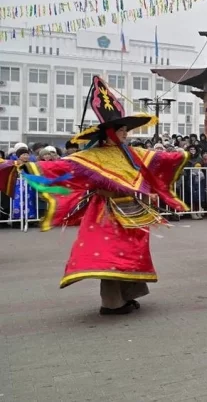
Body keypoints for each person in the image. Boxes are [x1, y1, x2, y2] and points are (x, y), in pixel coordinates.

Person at [0, 76, 190, 315]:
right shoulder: (91, 156)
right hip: (105, 211)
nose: (125, 133)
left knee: (131, 252)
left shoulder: (130, 153)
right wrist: (22, 167)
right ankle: (111, 303)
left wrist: (182, 154)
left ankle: (128, 295)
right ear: (108, 132)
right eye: (120, 129)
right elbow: (60, 167)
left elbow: (161, 158)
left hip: (133, 212)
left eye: (125, 129)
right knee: (110, 255)